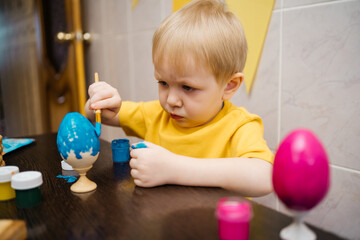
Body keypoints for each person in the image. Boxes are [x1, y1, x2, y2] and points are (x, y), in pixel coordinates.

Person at [85, 0, 273, 197]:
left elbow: (265, 177)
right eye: (163, 83)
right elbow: (92, 114)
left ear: (229, 85)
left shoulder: (239, 126)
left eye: (187, 87)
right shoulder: (156, 114)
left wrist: (174, 169)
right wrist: (100, 102)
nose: (171, 100)